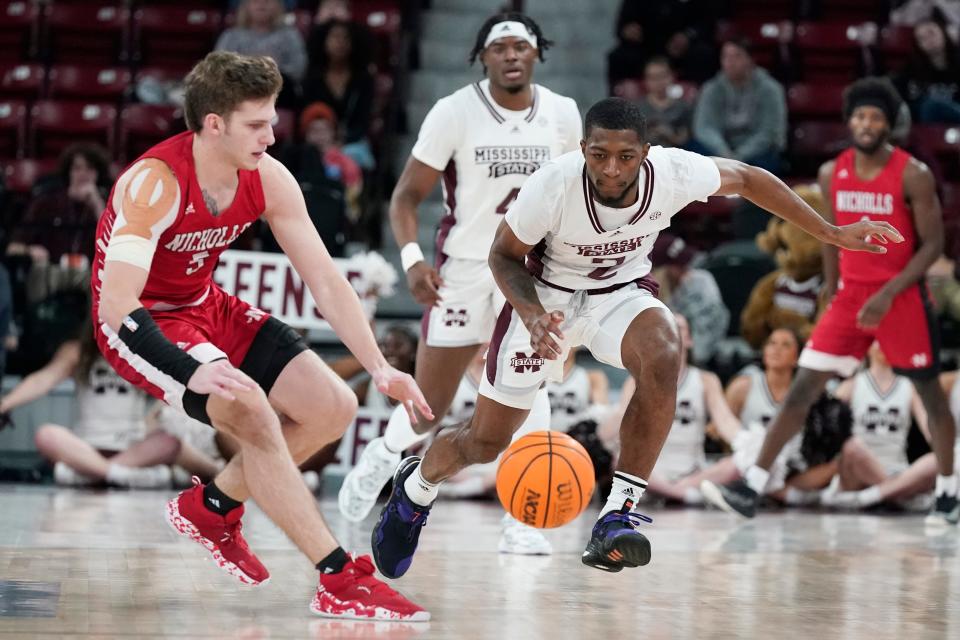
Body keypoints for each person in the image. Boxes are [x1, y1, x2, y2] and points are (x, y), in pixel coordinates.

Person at [366, 96, 900, 582]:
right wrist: (529, 315)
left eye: (625, 156)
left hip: (616, 294)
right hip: (544, 299)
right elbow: (503, 256)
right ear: (583, 149)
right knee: (486, 441)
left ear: (646, 152)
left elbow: (749, 177)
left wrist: (830, 232)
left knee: (665, 348)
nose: (612, 168)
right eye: (599, 155)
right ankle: (415, 491)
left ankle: (617, 514)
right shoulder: (553, 184)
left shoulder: (671, 172)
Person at [91, 51, 431, 620]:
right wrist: (188, 368)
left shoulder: (267, 177)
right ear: (214, 124)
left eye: (273, 120)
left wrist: (378, 366)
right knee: (250, 409)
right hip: (144, 323)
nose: (271, 136)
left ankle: (215, 506)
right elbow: (115, 303)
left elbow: (323, 276)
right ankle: (337, 577)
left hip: (205, 305)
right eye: (257, 124)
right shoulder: (153, 184)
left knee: (333, 407)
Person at [337, 13, 582, 554]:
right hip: (464, 270)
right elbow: (404, 197)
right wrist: (410, 260)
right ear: (482, 57)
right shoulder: (453, 111)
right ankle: (382, 455)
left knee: (528, 385)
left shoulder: (563, 114)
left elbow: (573, 196)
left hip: (525, 272)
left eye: (522, 46)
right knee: (431, 407)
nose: (513, 55)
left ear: (537, 52)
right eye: (501, 47)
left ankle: (524, 518)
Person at [702, 77, 959, 527]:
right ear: (848, 121)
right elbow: (829, 238)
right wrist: (832, 288)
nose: (866, 123)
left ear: (889, 124)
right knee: (803, 388)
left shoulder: (912, 173)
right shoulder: (830, 172)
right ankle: (752, 485)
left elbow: (933, 245)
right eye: (859, 116)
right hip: (849, 299)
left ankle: (948, 490)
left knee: (929, 393)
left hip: (898, 296)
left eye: (875, 117)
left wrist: (887, 295)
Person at [0, 325, 187, 488]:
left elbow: (174, 388)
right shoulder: (77, 350)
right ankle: (121, 476)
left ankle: (87, 477)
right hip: (86, 446)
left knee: (170, 441)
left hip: (132, 448)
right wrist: (5, 403)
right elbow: (43, 379)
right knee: (46, 435)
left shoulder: (147, 351)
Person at [599, 314, 744, 505]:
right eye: (667, 326)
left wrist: (749, 446)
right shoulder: (637, 378)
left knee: (737, 463)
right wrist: (596, 438)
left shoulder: (705, 380)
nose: (673, 332)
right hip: (652, 471)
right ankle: (682, 495)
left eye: (680, 328)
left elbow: (724, 421)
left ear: (690, 339)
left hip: (693, 471)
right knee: (617, 457)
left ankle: (678, 490)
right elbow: (620, 418)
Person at [725, 328, 839, 500]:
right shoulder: (742, 386)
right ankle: (784, 495)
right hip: (750, 462)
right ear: (763, 352)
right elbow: (721, 432)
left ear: (797, 358)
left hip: (793, 469)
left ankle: (774, 491)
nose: (776, 349)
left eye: (785, 345)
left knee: (836, 465)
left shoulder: (810, 393)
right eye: (772, 343)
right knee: (739, 457)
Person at [820, 342, 935, 509]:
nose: (884, 345)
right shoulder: (851, 385)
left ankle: (873, 496)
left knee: (937, 460)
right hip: (856, 472)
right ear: (867, 346)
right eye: (878, 340)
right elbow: (826, 430)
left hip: (898, 470)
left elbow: (930, 429)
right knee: (852, 447)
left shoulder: (909, 387)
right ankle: (899, 496)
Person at [692, 39, 787, 174]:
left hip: (756, 150)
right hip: (721, 148)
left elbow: (769, 132)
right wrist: (723, 151)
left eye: (737, 56)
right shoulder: (711, 89)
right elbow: (704, 127)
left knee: (767, 159)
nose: (730, 62)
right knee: (694, 152)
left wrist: (739, 156)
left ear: (750, 60)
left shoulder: (770, 89)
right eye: (726, 56)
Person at [7, 143, 110, 267]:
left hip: (90, 272)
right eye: (77, 168)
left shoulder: (107, 204)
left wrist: (96, 204)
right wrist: (29, 251)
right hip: (51, 269)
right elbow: (13, 248)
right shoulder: (46, 201)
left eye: (90, 169)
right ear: (69, 172)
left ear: (98, 174)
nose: (83, 174)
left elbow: (115, 245)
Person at [303, 19, 376, 169]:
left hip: (351, 142)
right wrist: (323, 140)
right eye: (335, 37)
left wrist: (340, 142)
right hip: (317, 138)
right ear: (324, 41)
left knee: (352, 157)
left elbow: (363, 121)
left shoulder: (363, 79)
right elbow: (306, 114)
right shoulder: (312, 77)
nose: (340, 43)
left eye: (345, 38)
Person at [651, 233, 729, 365]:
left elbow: (711, 329)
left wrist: (691, 364)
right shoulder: (646, 293)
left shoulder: (700, 282)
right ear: (662, 270)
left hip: (699, 361)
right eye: (680, 265)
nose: (687, 268)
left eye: (686, 262)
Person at [216, 0, 307, 102]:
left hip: (279, 93)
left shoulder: (290, 35)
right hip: (238, 94)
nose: (261, 4)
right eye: (255, 1)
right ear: (245, 5)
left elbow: (298, 69)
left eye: (268, 1)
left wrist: (274, 69)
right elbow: (219, 70)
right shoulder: (230, 36)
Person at [894, 20, 960, 124]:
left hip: (955, 125)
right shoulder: (910, 70)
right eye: (922, 38)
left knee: (932, 106)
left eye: (931, 33)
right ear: (918, 44)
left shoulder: (957, 63)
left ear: (943, 32)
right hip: (923, 128)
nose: (929, 40)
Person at [546, 348, 609, 433]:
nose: (562, 344)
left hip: (576, 441)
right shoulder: (536, 376)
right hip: (540, 438)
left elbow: (601, 412)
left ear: (577, 344)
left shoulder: (592, 377)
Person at [635, 57, 693, 149]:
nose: (658, 82)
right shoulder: (637, 109)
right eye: (653, 78)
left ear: (671, 77)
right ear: (646, 81)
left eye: (662, 76)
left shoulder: (682, 108)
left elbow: (684, 139)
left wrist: (669, 134)